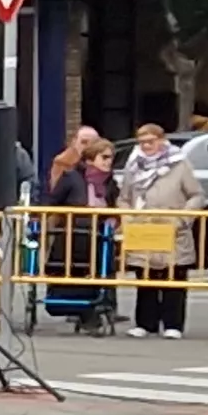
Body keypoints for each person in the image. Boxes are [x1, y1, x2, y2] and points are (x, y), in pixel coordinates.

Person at [119, 118, 202, 339]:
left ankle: (173, 324)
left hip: (172, 230)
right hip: (143, 230)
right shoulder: (133, 166)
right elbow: (124, 197)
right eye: (142, 142)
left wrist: (182, 219)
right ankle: (145, 323)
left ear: (162, 141)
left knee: (173, 278)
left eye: (151, 141)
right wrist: (128, 219)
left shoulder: (179, 164)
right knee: (145, 279)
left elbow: (196, 195)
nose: (146, 146)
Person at [41, 123, 119, 336]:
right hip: (74, 237)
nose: (108, 163)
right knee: (77, 270)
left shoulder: (110, 182)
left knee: (100, 271)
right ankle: (81, 312)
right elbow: (51, 200)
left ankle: (97, 311)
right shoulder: (72, 177)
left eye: (110, 158)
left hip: (99, 235)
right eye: (104, 158)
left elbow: (114, 205)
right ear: (90, 159)